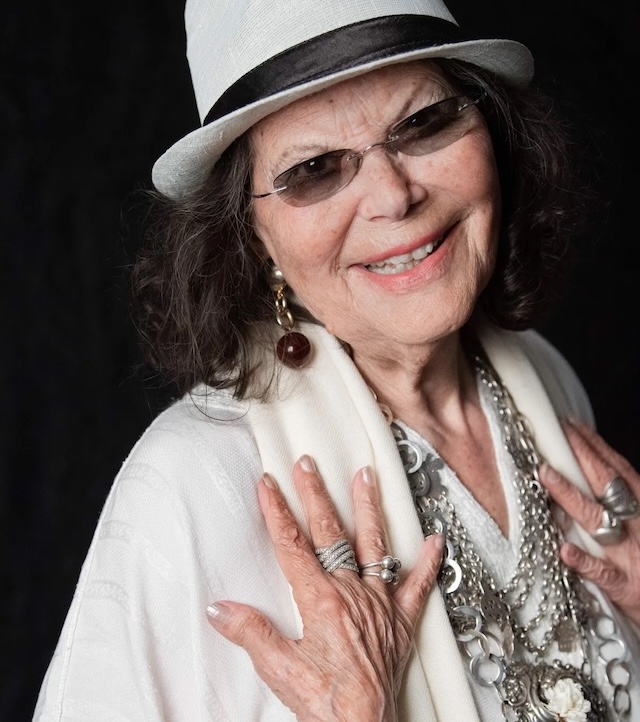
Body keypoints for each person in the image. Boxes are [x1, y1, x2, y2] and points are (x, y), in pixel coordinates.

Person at [34, 0, 640, 720]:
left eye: (424, 123)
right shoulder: (195, 486)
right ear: (250, 233)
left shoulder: (545, 382)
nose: (393, 195)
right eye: (315, 169)